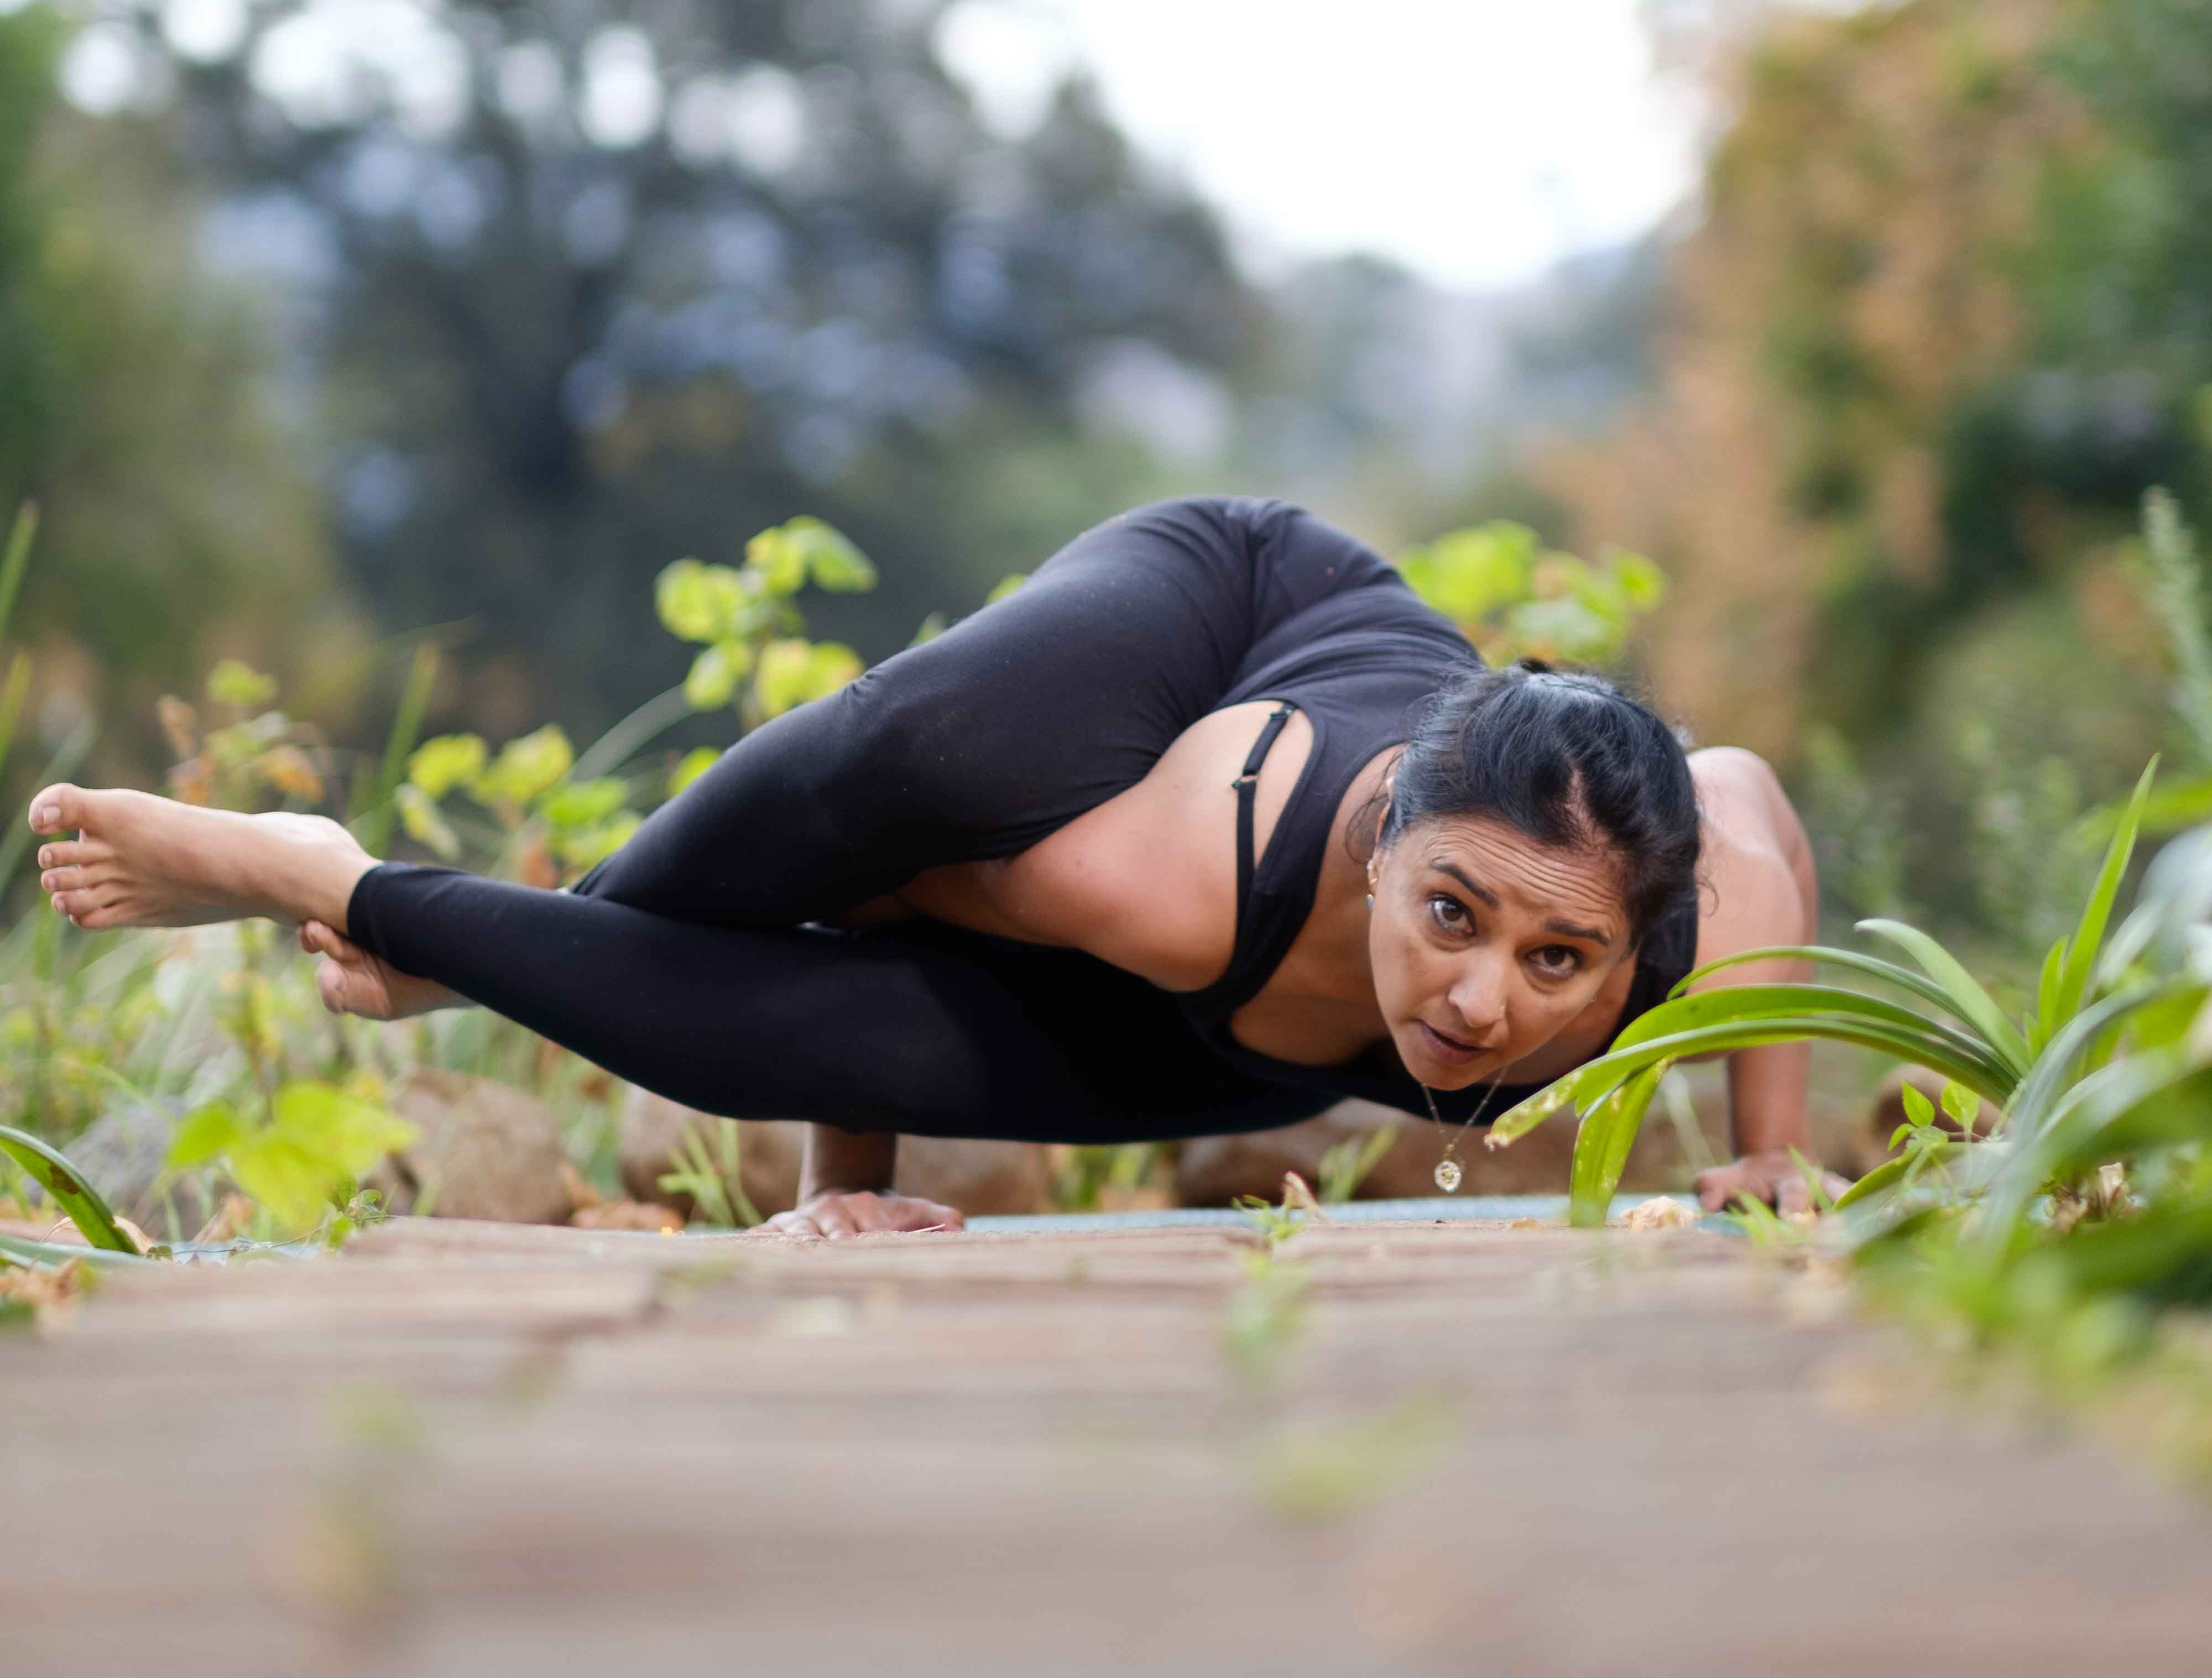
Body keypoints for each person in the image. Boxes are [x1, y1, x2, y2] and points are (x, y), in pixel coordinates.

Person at [28, 496, 1825, 1237]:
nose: (1483, 1000)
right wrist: (849, 1169)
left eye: (1555, 963)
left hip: (1226, 1022)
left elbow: (1748, 800)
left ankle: (425, 923)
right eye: (1450, 915)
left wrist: (1768, 1156)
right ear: (1381, 855)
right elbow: (874, 877)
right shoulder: (1162, 875)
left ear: (1628, 947)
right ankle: (327, 874)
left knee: (769, 1040)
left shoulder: (1674, 913)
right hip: (1233, 606)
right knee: (917, 755)